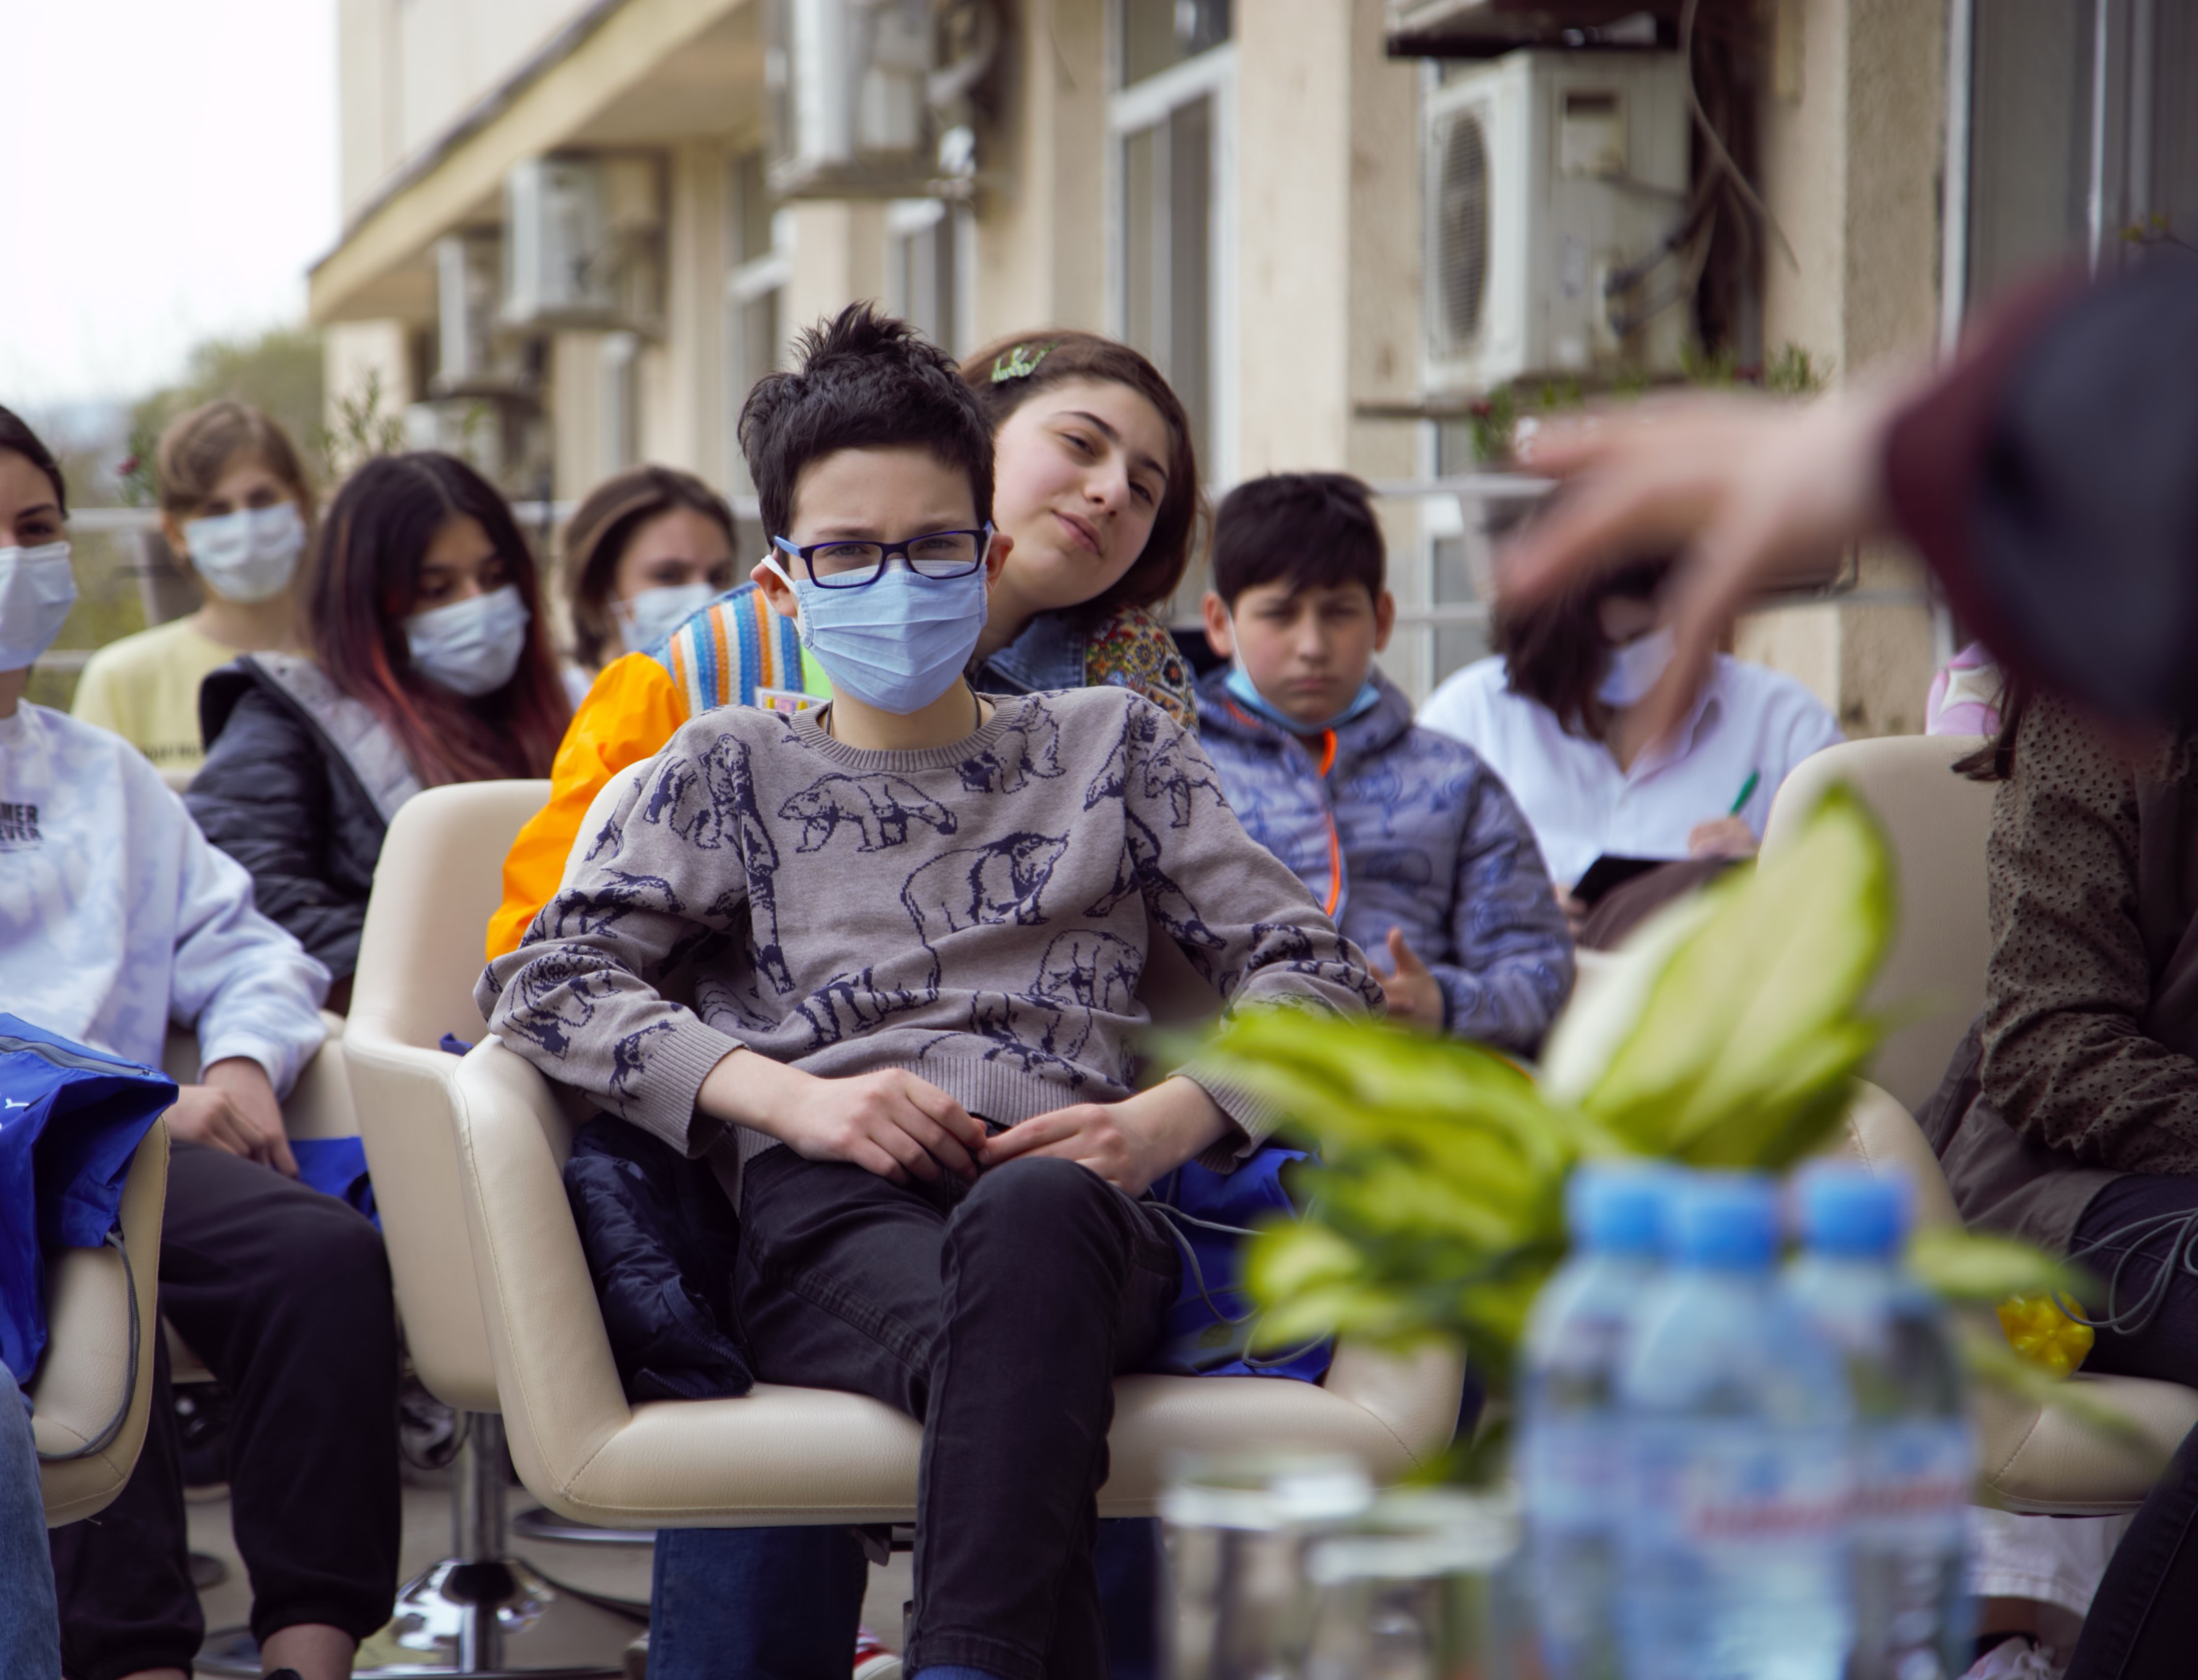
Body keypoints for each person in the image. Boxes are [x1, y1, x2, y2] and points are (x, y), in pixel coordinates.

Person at [478, 304, 1380, 1680]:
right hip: (823, 1206)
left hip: (1081, 1205)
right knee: (1018, 1371)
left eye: (934, 546)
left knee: (1033, 1226)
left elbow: (1320, 970)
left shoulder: (1116, 745)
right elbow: (540, 979)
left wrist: (1167, 1120)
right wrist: (788, 1100)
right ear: (784, 585)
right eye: (847, 550)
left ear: (988, 555)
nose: (893, 581)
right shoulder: (726, 763)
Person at [0, 405, 400, 1680]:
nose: (13, 561)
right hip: (39, 1149)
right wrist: (115, 1098)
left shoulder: (106, 774)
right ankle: (139, 1661)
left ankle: (309, 1651)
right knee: (88, 1293)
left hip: (141, 1149)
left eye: (35, 528)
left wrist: (237, 1065)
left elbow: (250, 946)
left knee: (324, 1260)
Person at [486, 327, 1201, 960]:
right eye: (1080, 444)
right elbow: (543, 943)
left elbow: (1187, 941)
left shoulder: (1132, 694)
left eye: (1146, 490)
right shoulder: (702, 667)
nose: (1111, 491)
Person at [1193, 471, 1572, 1052]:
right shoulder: (1179, 770)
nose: (1312, 645)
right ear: (1220, 623)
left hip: (1415, 1081)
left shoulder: (1454, 780)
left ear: (1384, 618)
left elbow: (1539, 966)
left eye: (1339, 612)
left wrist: (1444, 1004)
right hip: (1220, 1081)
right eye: (1280, 614)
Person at [187, 451, 571, 1001]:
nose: (478, 605)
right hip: (399, 1034)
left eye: (494, 577)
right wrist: (425, 990)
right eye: (437, 589)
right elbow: (243, 892)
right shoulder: (289, 716)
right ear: (366, 604)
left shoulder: (564, 712)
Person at [1417, 552, 1841, 946]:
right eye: (1596, 650)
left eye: (1640, 638)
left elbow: (1851, 898)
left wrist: (1769, 873)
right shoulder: (1468, 720)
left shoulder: (1782, 724)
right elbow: (1398, 896)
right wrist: (1488, 913)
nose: (1620, 662)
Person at [72, 402, 314, 776]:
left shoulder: (364, 664)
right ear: (175, 532)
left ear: (301, 505)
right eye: (217, 510)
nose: (244, 527)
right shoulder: (120, 680)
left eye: (261, 499)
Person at [562, 465, 739, 681]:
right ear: (598, 589)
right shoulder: (561, 701)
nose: (704, 601)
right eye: (668, 575)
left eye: (718, 577)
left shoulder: (750, 699)